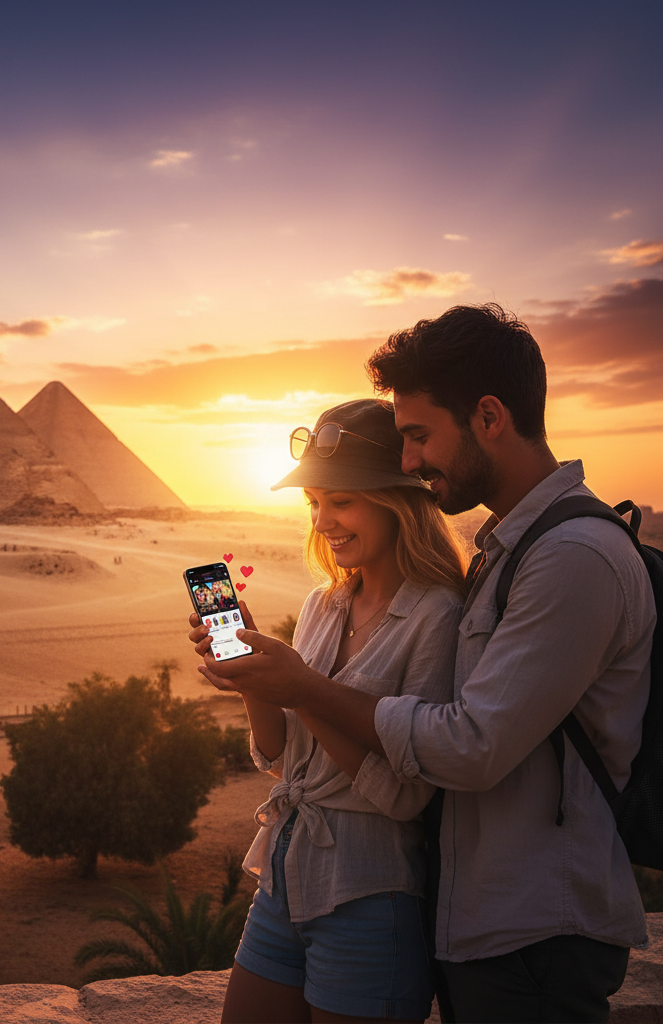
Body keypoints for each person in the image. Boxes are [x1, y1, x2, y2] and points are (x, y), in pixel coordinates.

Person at [195, 305, 653, 1023]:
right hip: (456, 909)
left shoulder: (570, 557)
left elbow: (468, 748)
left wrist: (302, 686)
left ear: (489, 416)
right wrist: (263, 680)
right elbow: (292, 758)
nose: (409, 461)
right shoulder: (503, 553)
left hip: (535, 921)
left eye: (417, 436)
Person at [191, 398, 467, 1023]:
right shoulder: (324, 603)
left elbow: (405, 796)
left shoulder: (439, 615)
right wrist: (255, 680)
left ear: (398, 502)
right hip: (284, 875)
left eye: (341, 501)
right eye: (314, 502)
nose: (323, 521)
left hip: (369, 893)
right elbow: (279, 758)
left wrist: (301, 689)